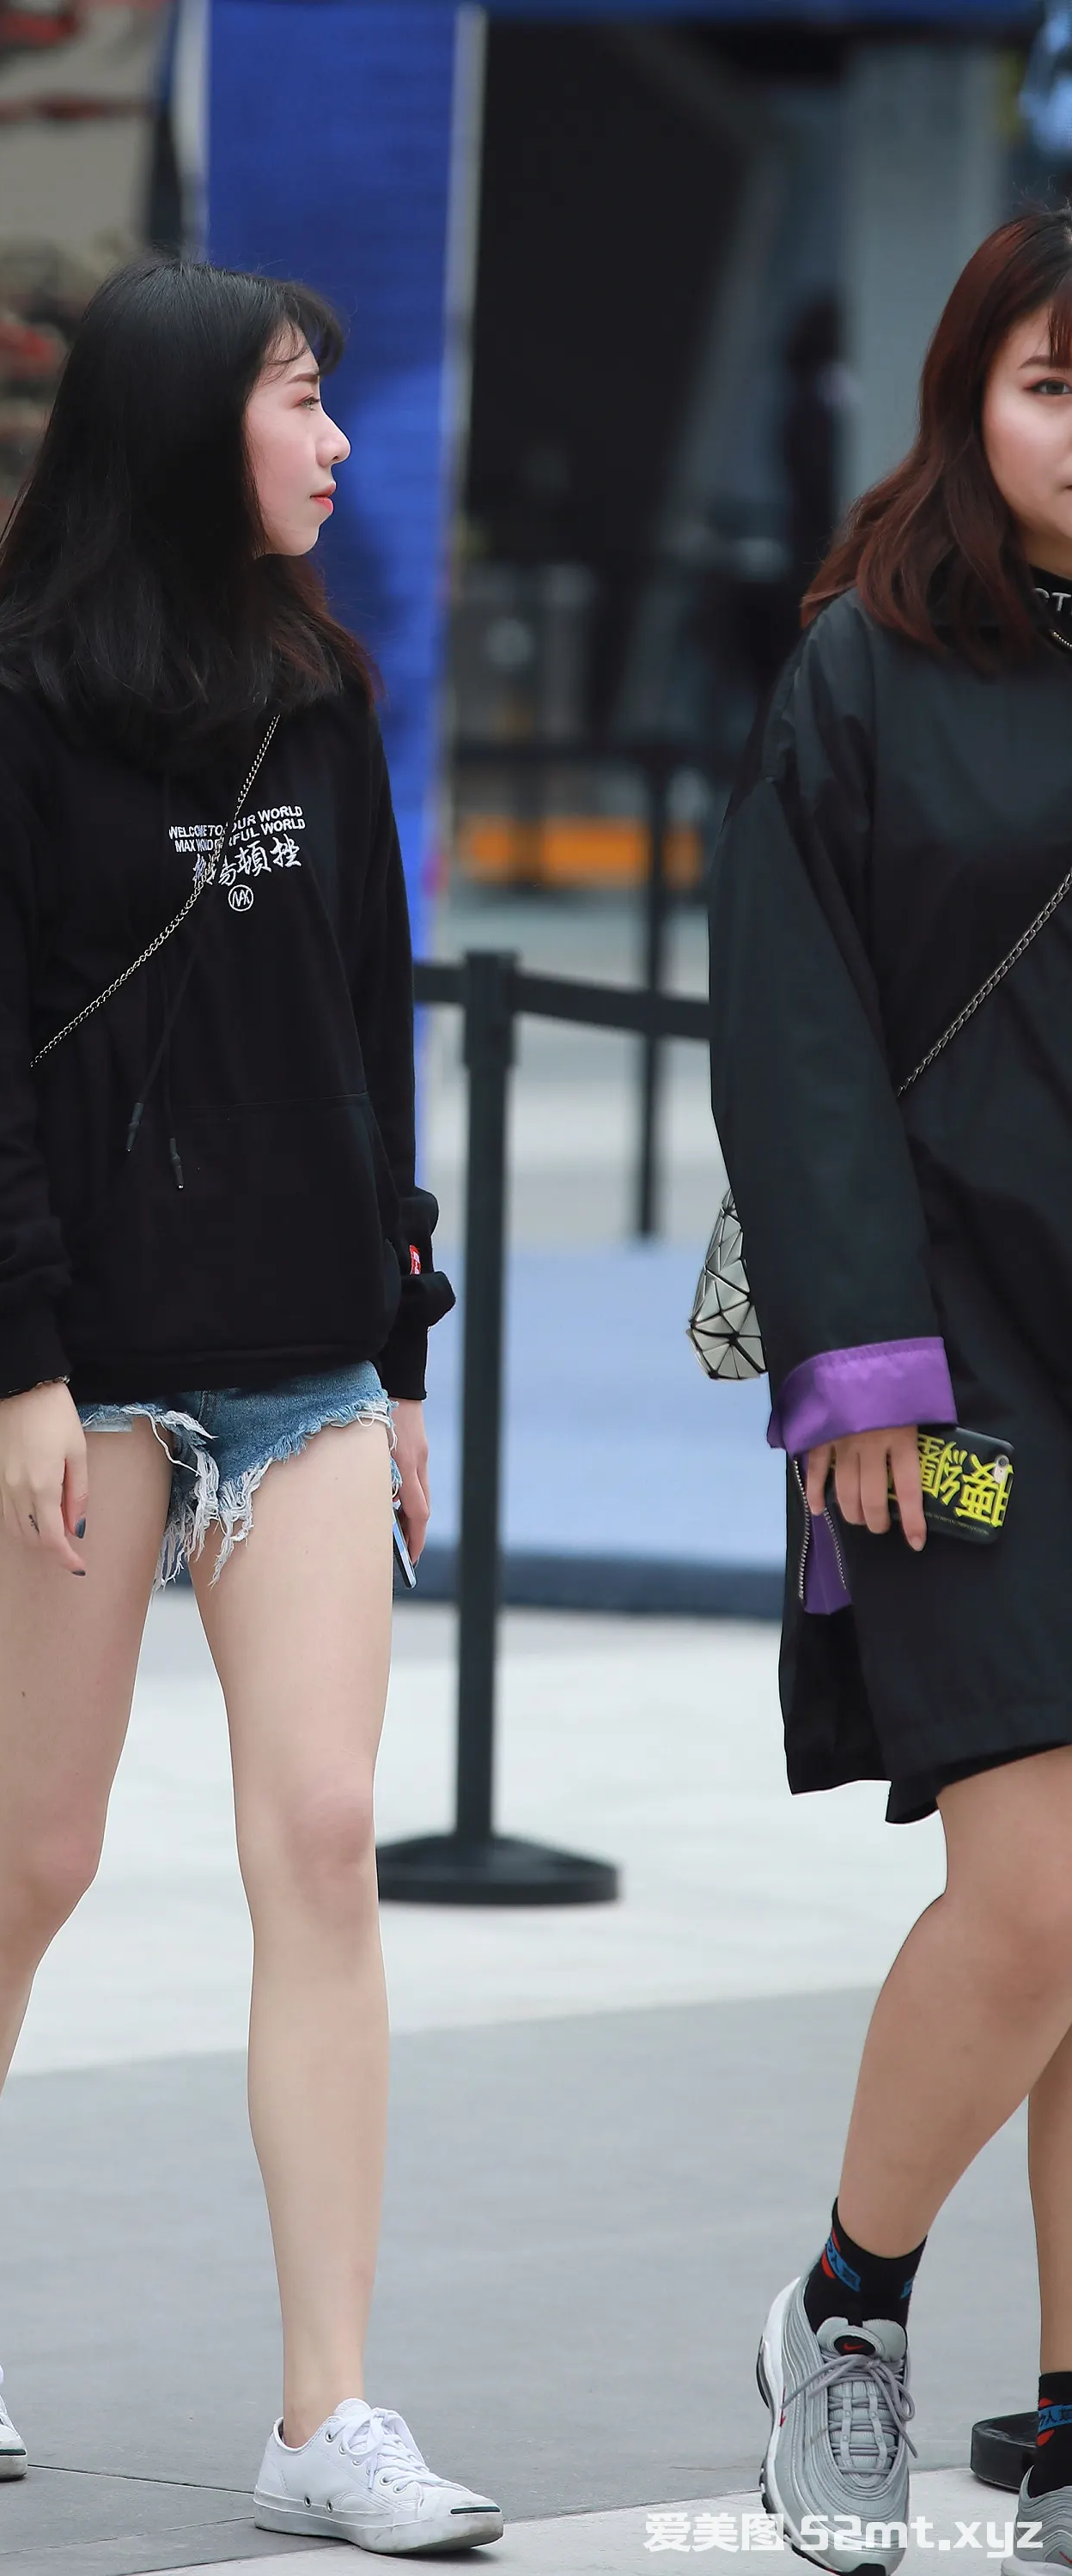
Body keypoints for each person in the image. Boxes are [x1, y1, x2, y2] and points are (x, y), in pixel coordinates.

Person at [0, 258, 498, 2557]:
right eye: (298, 400)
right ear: (180, 426)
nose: (334, 443)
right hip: (79, 1381)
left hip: (300, 1369)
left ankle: (328, 2407)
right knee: (38, 1850)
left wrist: (396, 1351)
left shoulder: (320, 698)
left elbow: (365, 1033)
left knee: (323, 1838)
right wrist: (19, 1369)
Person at [709, 206, 1072, 2576]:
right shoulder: (859, 669)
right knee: (1033, 1889)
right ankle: (844, 2310)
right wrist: (852, 1359)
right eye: (1051, 383)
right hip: (948, 1378)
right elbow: (790, 1028)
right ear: (966, 402)